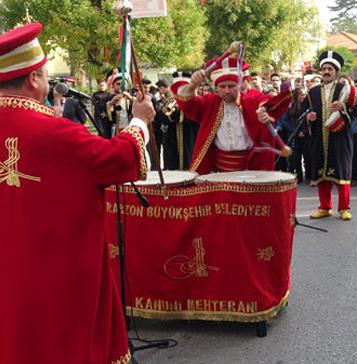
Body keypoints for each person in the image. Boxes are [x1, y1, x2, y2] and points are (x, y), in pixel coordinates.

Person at [0, 23, 154, 364]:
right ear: (34, 80)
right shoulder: (57, 133)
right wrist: (140, 121)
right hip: (55, 275)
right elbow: (118, 159)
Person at [172, 47, 291, 174]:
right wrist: (192, 85)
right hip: (218, 170)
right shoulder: (210, 103)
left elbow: (267, 100)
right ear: (216, 87)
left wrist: (264, 110)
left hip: (250, 169)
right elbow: (188, 103)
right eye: (222, 87)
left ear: (239, 85)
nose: (227, 90)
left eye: (231, 86)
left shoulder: (251, 100)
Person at [304, 51, 357, 221]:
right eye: (324, 69)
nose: (327, 72)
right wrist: (309, 118)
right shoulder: (312, 92)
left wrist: (343, 108)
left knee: (341, 173)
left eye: (330, 69)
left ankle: (344, 208)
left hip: (339, 137)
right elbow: (304, 111)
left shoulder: (345, 89)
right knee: (322, 174)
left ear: (336, 71)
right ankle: (324, 207)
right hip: (319, 138)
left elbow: (355, 111)